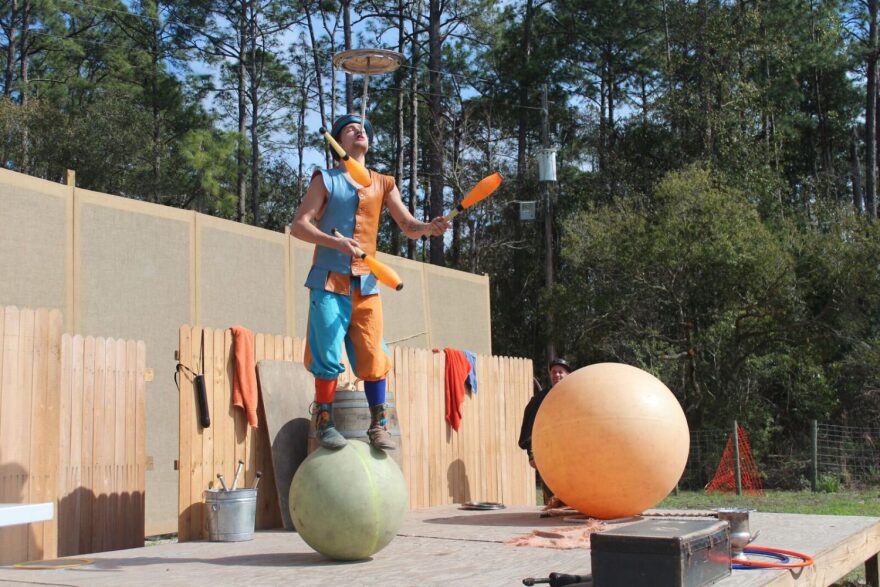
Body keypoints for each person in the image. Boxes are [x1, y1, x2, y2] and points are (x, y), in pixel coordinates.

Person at [291, 113, 449, 451]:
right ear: (338, 143)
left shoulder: (383, 183)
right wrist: (336, 243)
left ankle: (379, 424)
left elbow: (407, 225)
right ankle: (323, 421)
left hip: (367, 284)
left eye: (363, 128)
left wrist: (428, 227)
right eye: (350, 129)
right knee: (327, 353)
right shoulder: (326, 180)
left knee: (375, 354)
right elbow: (299, 226)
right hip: (329, 282)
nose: (359, 130)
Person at [518, 357, 573, 505]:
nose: (556, 375)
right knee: (553, 499)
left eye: (560, 372)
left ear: (568, 374)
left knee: (574, 494)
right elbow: (530, 426)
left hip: (573, 453)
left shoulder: (576, 395)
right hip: (548, 453)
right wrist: (532, 454)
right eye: (553, 372)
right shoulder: (539, 400)